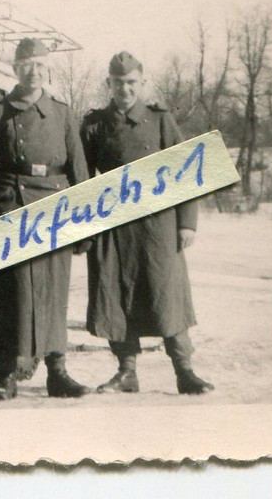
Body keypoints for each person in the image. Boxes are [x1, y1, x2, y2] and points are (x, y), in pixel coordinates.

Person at [79, 51, 215, 395]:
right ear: (108, 84)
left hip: (157, 227)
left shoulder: (160, 120)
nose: (124, 89)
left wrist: (187, 223)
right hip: (113, 229)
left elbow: (187, 171)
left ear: (142, 83)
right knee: (115, 295)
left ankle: (184, 371)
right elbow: (80, 178)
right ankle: (127, 372)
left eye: (131, 83)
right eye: (118, 83)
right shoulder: (95, 125)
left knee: (166, 294)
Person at [0, 37, 92, 400]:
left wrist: (85, 225)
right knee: (13, 295)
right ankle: (7, 372)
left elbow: (79, 170)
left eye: (40, 65)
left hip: (56, 209)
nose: (34, 72)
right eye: (27, 65)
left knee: (54, 293)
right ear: (15, 69)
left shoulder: (62, 113)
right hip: (13, 206)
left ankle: (57, 371)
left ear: (48, 69)